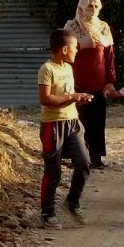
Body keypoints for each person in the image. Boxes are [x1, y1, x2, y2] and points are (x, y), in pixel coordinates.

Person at [36, 29, 95, 229]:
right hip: (52, 126)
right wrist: (73, 97)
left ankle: (72, 201)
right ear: (63, 49)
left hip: (72, 123)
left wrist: (79, 97)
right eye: (74, 48)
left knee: (84, 163)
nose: (77, 51)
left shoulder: (68, 69)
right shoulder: (47, 69)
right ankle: (47, 212)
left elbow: (68, 94)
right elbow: (45, 99)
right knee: (53, 170)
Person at [63, 0, 118, 169]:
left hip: (99, 84)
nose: (92, 9)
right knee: (77, 122)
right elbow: (63, 52)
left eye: (95, 6)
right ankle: (77, 158)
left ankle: (96, 158)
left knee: (97, 122)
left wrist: (110, 81)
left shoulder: (103, 27)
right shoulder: (71, 26)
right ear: (81, 7)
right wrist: (80, 45)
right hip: (76, 83)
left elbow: (109, 56)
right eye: (89, 6)